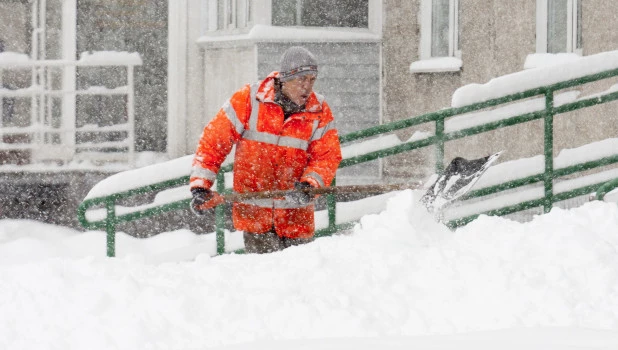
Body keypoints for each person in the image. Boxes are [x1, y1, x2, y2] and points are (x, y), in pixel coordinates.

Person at [189, 46, 342, 254]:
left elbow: (327, 156)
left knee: (299, 281)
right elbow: (213, 141)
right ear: (285, 78)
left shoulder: (319, 110)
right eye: (301, 80)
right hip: (256, 216)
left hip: (296, 218)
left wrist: (309, 185)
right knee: (267, 281)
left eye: (312, 80)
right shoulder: (250, 100)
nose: (307, 87)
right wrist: (200, 186)